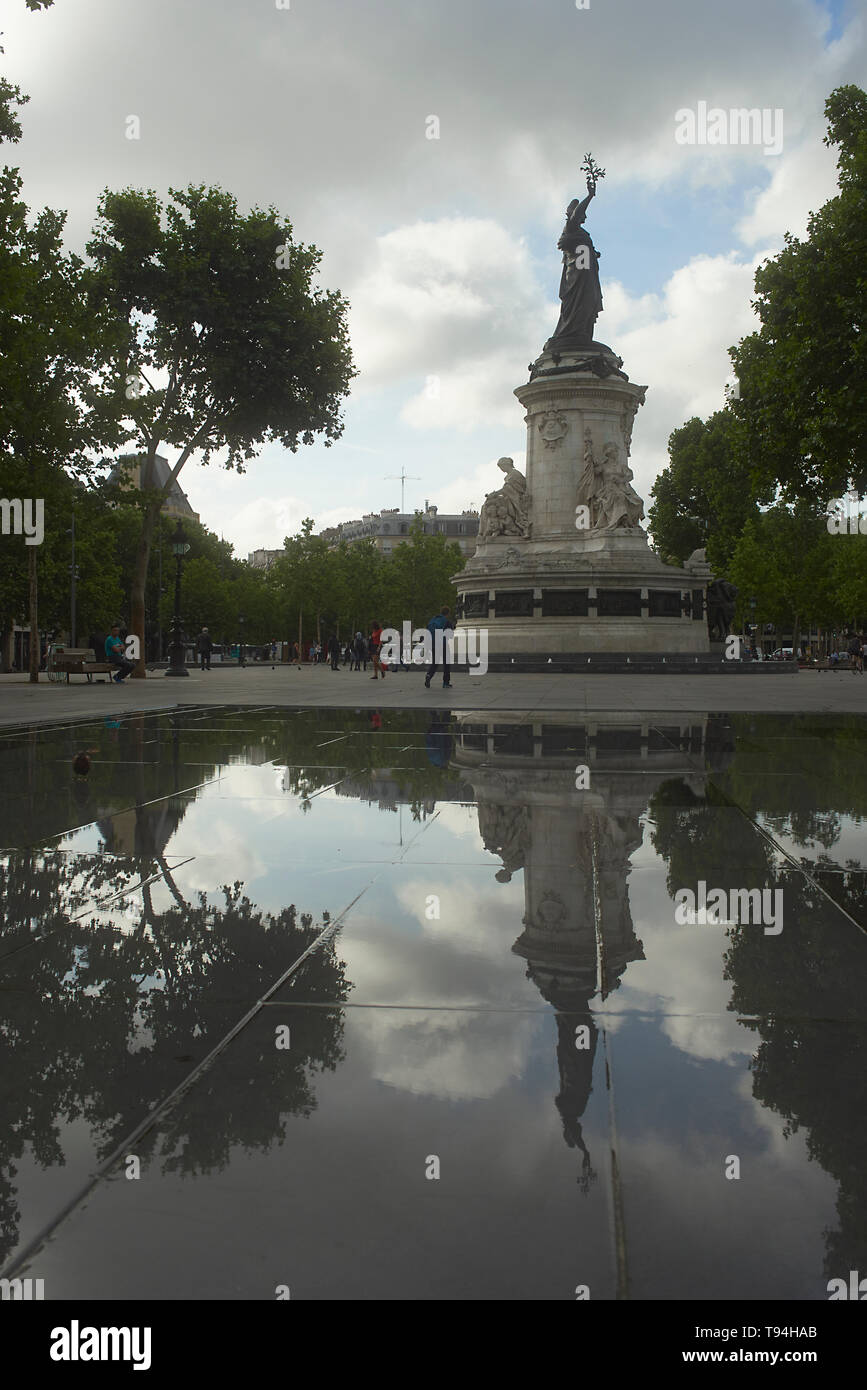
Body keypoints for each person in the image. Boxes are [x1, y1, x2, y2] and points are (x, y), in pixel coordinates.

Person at [424, 605, 454, 689]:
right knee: (446, 663)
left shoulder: (433, 620)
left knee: (435, 662)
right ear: (448, 613)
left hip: (432, 643)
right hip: (442, 643)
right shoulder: (446, 621)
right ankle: (446, 683)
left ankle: (429, 675)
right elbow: (450, 635)